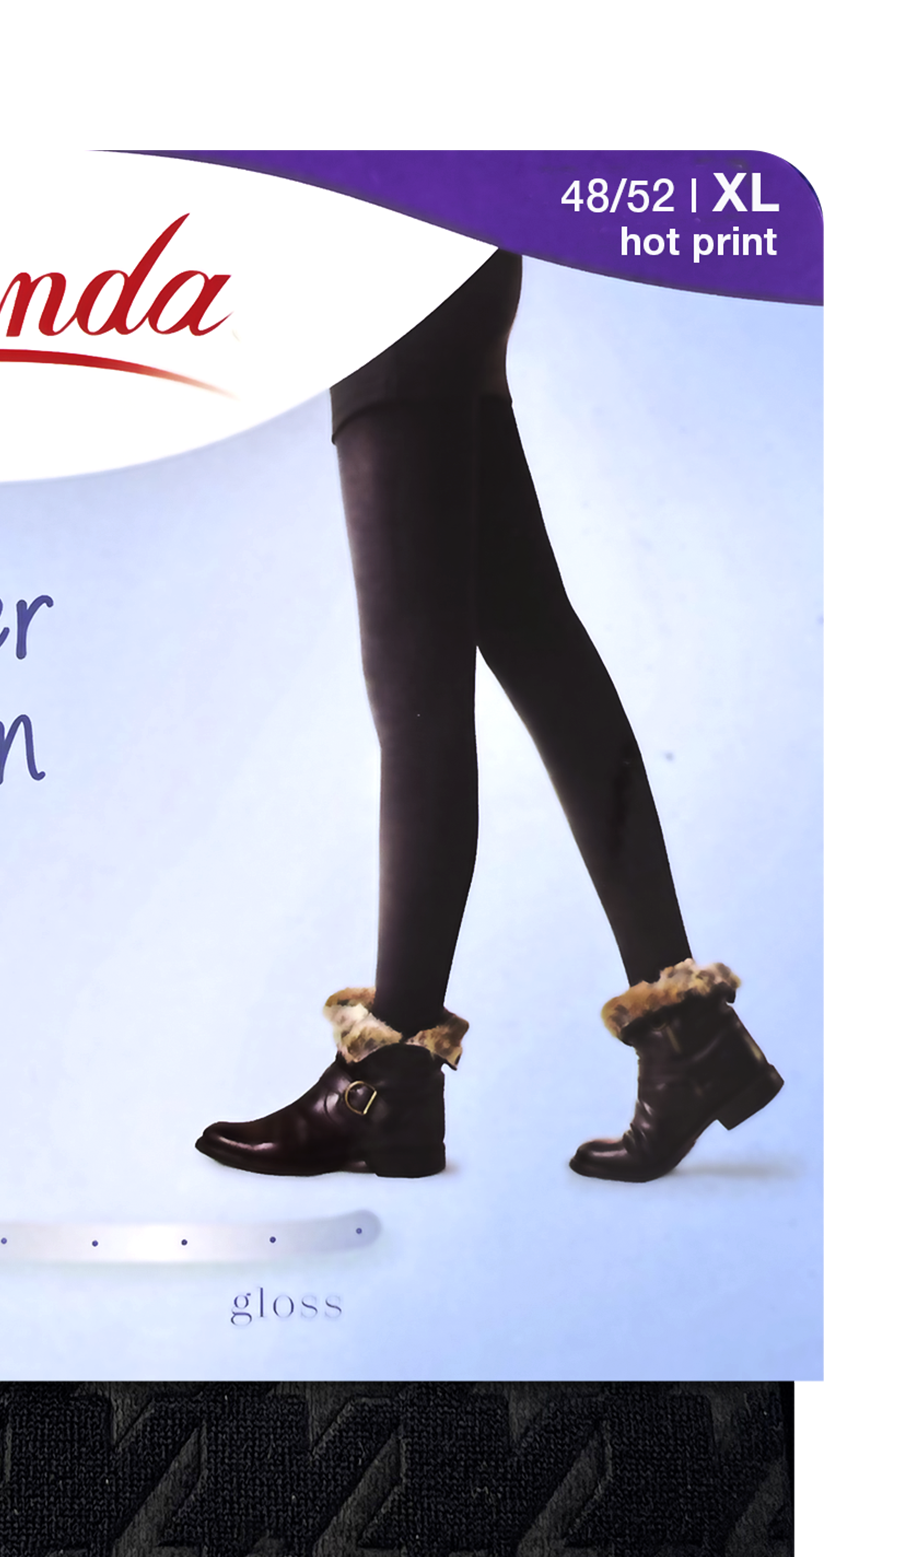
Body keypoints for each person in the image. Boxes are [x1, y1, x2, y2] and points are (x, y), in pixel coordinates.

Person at [194, 250, 782, 1185]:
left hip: (387, 255)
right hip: (456, 256)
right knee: (534, 641)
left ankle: (385, 1084)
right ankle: (690, 1039)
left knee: (418, 691)